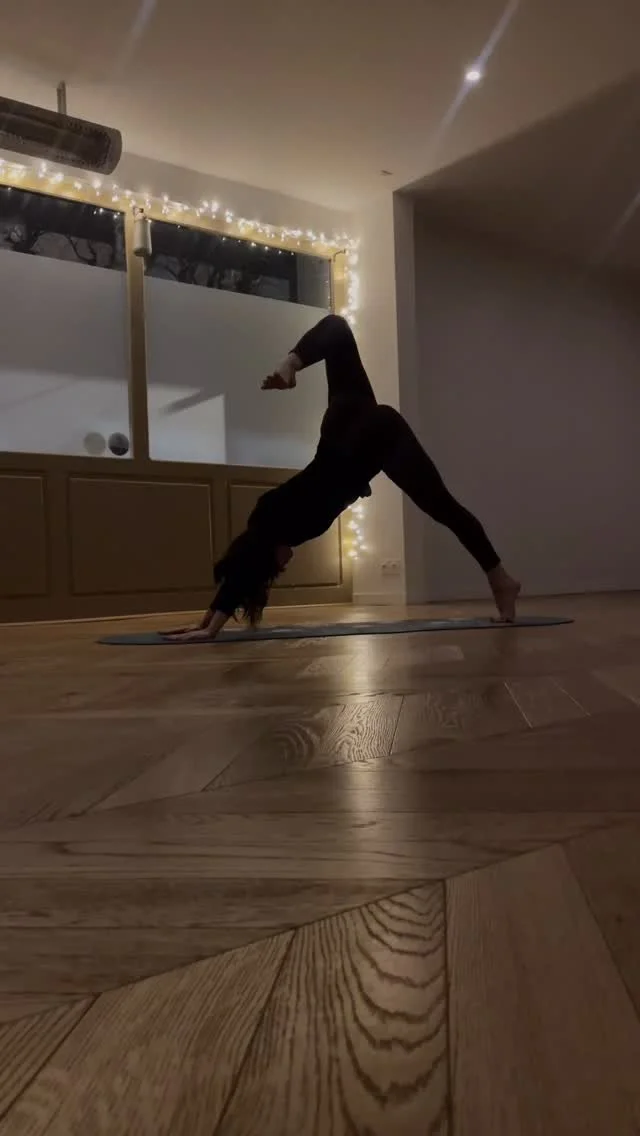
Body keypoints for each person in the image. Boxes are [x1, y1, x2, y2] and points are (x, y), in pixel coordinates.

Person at [166, 314, 520, 642]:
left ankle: (500, 581)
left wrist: (212, 627)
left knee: (444, 507)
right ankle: (290, 364)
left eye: (277, 568)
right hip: (345, 424)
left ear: (264, 557)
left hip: (369, 439)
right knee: (337, 329)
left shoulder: (275, 523)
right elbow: (244, 564)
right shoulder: (273, 519)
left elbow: (244, 570)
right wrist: (207, 618)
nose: (285, 565)